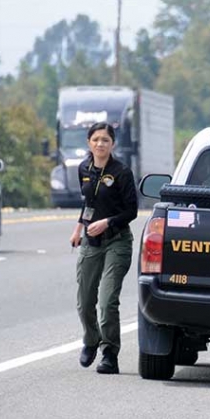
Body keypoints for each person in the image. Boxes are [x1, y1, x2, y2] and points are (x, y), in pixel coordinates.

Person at [69, 122, 138, 374]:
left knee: (107, 300)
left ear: (113, 144)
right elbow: (88, 202)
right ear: (89, 142)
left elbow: (131, 211)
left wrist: (107, 221)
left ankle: (110, 353)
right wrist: (79, 229)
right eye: (96, 139)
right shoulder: (83, 169)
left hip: (117, 241)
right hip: (91, 241)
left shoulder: (122, 172)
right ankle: (91, 339)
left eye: (105, 140)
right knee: (84, 301)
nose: (100, 144)